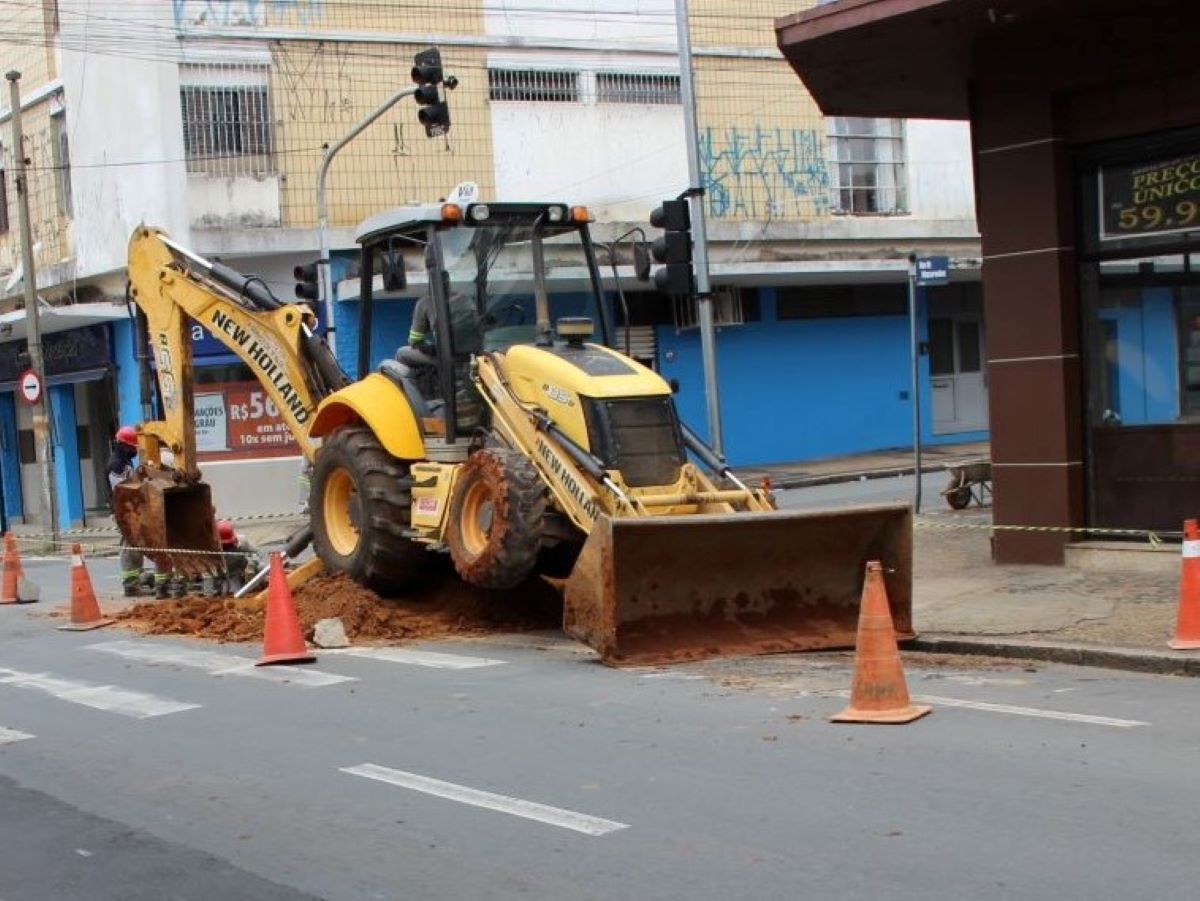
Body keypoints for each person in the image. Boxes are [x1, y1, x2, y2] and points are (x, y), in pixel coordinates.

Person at [107, 425, 166, 598]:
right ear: (124, 445)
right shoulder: (116, 465)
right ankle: (131, 585)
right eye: (132, 447)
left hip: (131, 510)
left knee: (137, 543)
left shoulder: (123, 462)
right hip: (125, 511)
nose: (134, 450)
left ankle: (136, 581)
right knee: (130, 545)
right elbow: (121, 491)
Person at [214, 519, 262, 596]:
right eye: (224, 545)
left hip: (242, 569)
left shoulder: (242, 541)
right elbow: (207, 574)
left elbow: (257, 554)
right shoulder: (211, 549)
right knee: (235, 594)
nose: (227, 548)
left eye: (228, 544)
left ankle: (257, 588)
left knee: (261, 567)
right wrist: (208, 593)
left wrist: (251, 563)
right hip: (227, 575)